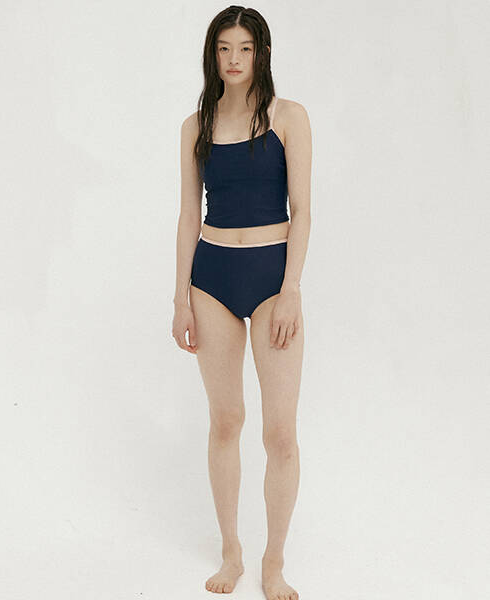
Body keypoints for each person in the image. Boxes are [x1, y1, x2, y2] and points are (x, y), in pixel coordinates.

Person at [172, 6, 311, 600]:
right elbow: (188, 215)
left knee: (280, 433)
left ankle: (273, 561)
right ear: (213, 55)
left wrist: (292, 290)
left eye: (245, 49)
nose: (233, 59)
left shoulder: (288, 117)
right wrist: (180, 298)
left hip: (273, 278)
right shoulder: (195, 126)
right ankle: (231, 550)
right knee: (226, 420)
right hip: (212, 279)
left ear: (262, 54)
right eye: (224, 48)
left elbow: (302, 211)